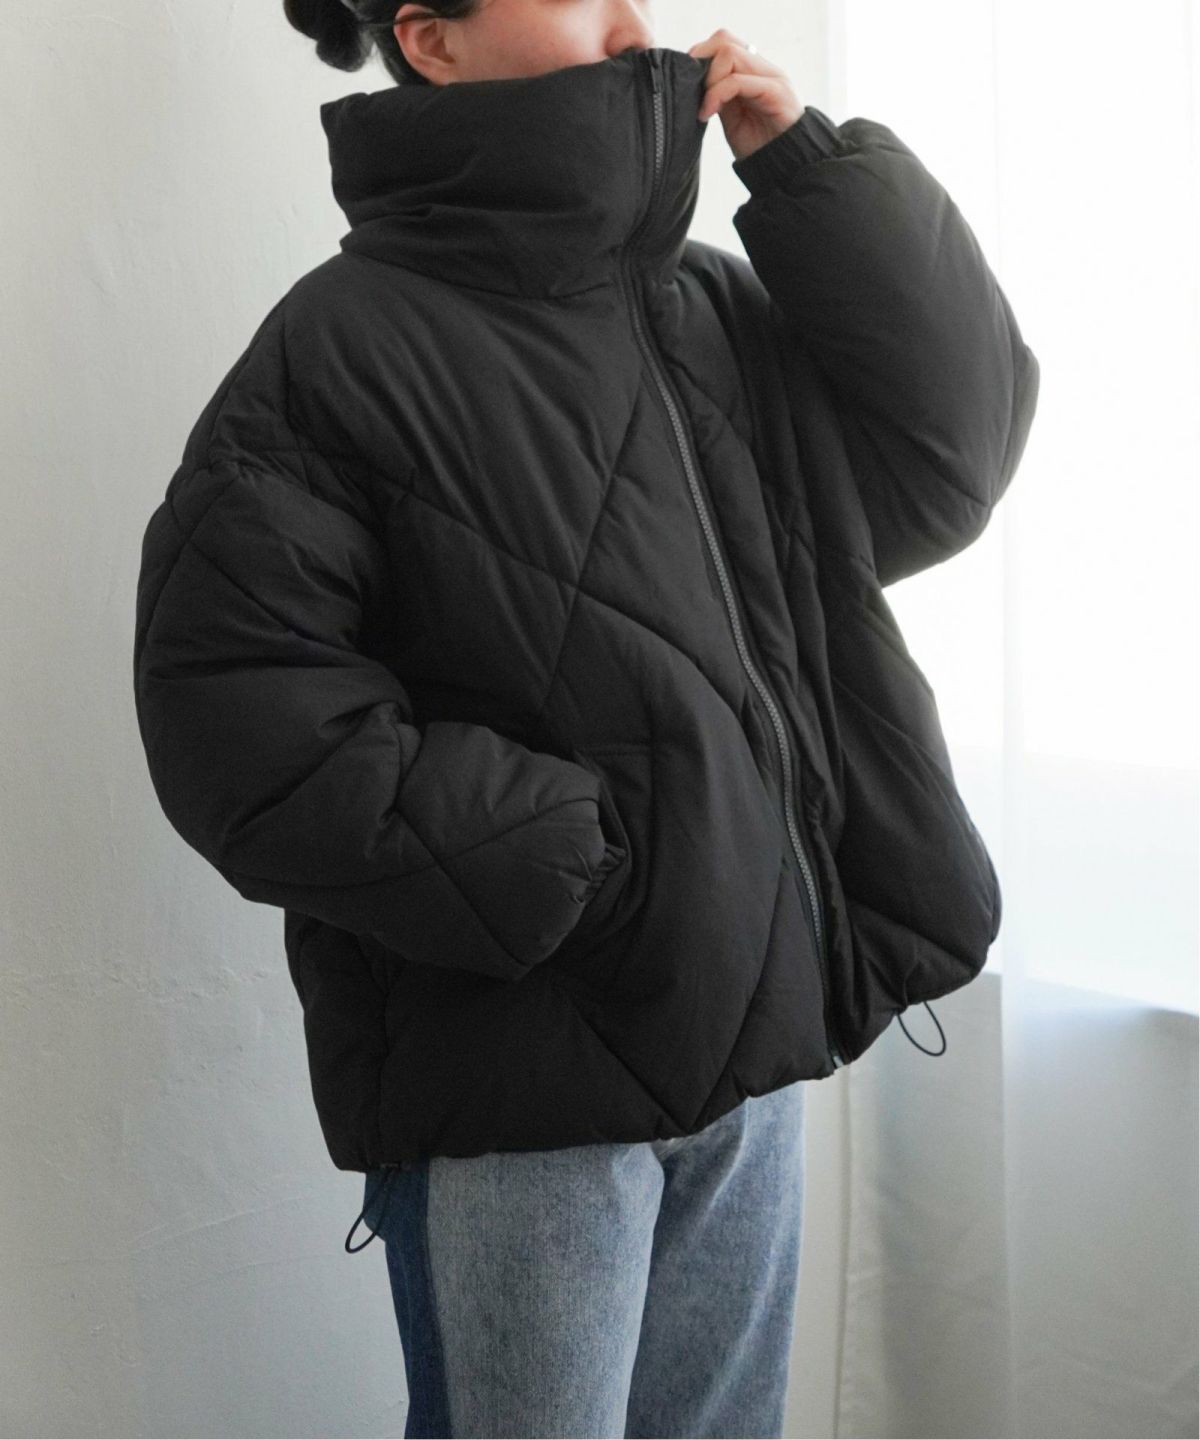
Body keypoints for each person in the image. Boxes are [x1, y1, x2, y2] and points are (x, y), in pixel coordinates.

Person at [132, 0, 1039, 1434]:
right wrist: (582, 864)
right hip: (526, 1091)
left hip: (753, 1057)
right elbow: (234, 715)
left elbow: (947, 462)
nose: (629, 19)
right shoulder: (339, 347)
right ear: (430, 41)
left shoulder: (712, 308)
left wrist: (804, 170)